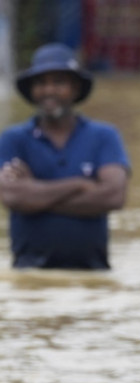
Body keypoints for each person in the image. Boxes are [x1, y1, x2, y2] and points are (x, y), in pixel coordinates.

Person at [0, 43, 131, 269]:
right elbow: (12, 197)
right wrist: (80, 184)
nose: (49, 90)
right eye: (41, 83)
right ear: (32, 90)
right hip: (29, 276)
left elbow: (113, 196)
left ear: (76, 88)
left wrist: (34, 193)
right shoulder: (13, 139)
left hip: (93, 276)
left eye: (59, 83)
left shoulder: (104, 136)